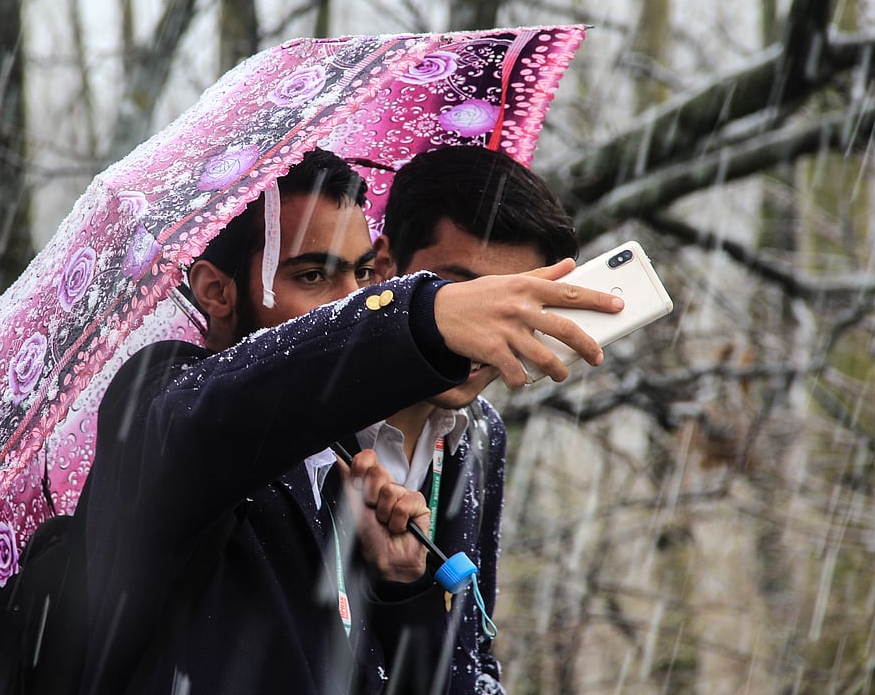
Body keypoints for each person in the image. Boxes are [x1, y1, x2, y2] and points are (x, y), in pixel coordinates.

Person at [74, 149, 624, 695]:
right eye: (313, 275)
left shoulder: (470, 437)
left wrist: (404, 590)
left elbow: (440, 672)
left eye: (361, 274)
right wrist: (425, 318)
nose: (351, 302)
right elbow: (216, 416)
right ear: (217, 291)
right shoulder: (167, 396)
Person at [353, 145, 579, 694]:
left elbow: (468, 654)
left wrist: (408, 592)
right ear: (385, 267)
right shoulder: (306, 423)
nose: (483, 327)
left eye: (511, 302)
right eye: (456, 292)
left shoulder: (480, 434)